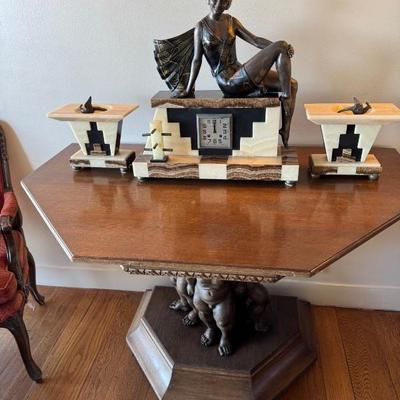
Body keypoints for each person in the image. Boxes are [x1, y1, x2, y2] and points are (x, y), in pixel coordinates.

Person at [154, 0, 298, 146]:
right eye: (215, 0)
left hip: (240, 71)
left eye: (223, 1)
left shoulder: (231, 21)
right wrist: (188, 89)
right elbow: (197, 60)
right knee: (281, 46)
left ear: (228, 4)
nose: (218, 4)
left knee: (292, 84)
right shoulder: (201, 27)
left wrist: (283, 49)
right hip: (228, 81)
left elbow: (256, 41)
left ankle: (285, 130)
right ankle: (285, 97)